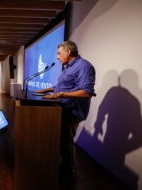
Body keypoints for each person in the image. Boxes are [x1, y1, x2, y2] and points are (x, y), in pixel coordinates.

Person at [34, 41, 96, 184]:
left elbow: (86, 92)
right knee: (62, 142)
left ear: (68, 52)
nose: (57, 57)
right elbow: (65, 86)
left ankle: (70, 175)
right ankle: (64, 168)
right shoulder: (69, 67)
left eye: (59, 53)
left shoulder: (83, 66)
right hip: (62, 109)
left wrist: (60, 94)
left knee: (66, 142)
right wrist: (48, 90)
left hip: (71, 111)